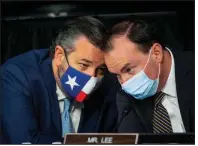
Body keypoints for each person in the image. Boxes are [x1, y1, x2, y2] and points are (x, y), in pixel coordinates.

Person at [0, 16, 116, 144]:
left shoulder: (109, 84)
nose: (92, 78)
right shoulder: (18, 76)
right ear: (59, 55)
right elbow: (25, 141)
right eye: (84, 65)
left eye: (100, 69)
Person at [104, 20, 194, 133]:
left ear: (156, 53)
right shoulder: (125, 96)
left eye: (128, 69)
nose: (124, 83)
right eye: (118, 75)